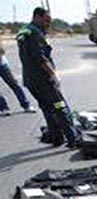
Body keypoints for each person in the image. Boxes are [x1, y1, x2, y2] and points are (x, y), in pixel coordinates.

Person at [17, 8, 81, 148]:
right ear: (37, 17)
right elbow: (41, 58)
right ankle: (73, 139)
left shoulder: (24, 31)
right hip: (44, 81)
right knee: (60, 107)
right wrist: (53, 75)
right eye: (46, 20)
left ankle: (57, 138)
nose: (48, 23)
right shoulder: (34, 33)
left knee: (47, 109)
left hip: (31, 81)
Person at [0, 39, 35, 115]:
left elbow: (2, 51)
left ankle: (26, 105)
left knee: (14, 84)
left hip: (2, 64)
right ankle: (3, 108)